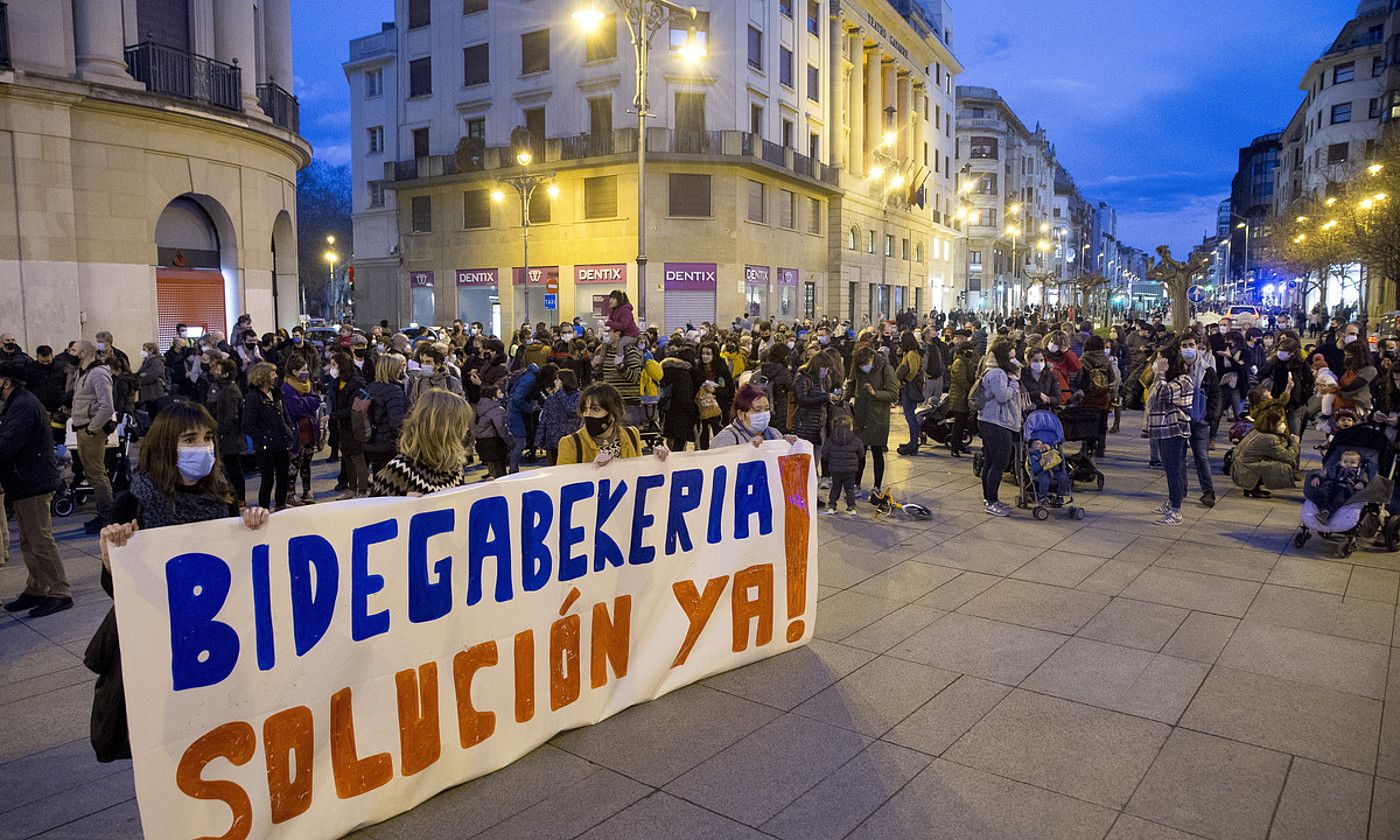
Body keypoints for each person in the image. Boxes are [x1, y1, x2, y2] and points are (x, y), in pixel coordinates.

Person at [91, 403, 269, 762]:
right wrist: (113, 560)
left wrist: (253, 524)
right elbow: (119, 593)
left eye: (207, 438)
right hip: (157, 638)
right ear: (166, 446)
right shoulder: (133, 502)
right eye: (190, 439)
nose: (202, 447)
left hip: (211, 639)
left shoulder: (220, 496)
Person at [0, 361, 69, 617]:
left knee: (40, 539)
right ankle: (37, 587)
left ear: (6, 382)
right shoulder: (17, 403)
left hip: (33, 481)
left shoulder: (23, 406)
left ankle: (60, 591)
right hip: (24, 481)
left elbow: (8, 444)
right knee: (28, 540)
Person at [370, 389, 476, 496]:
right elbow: (373, 509)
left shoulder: (454, 466)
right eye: (461, 424)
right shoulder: (399, 471)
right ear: (443, 429)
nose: (466, 429)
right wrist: (403, 505)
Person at [556, 382, 669, 466]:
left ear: (612, 414)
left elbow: (637, 473)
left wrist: (656, 461)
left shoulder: (632, 434)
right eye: (585, 409)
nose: (587, 414)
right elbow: (563, 487)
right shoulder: (570, 443)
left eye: (595, 409)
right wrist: (593, 470)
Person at [1146, 345, 1195, 525]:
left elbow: (1162, 393)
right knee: (1169, 468)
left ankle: (1176, 510)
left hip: (1174, 429)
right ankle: (1172, 502)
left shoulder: (1183, 380)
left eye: (1161, 360)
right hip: (1163, 428)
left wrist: (1159, 373)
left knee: (1174, 469)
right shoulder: (1168, 379)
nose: (1157, 364)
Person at [71, 340, 115, 533]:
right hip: (82, 427)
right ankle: (104, 513)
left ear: (83, 353)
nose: (69, 353)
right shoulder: (82, 373)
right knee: (92, 474)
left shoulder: (97, 373)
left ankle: (107, 516)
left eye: (73, 350)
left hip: (91, 430)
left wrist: (92, 428)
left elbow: (107, 406)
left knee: (97, 475)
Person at [976, 338, 1022, 517]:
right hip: (995, 422)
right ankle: (991, 501)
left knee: (990, 461)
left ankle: (990, 499)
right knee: (998, 463)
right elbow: (1003, 396)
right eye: (1011, 357)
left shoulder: (999, 371)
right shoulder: (997, 374)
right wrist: (1013, 383)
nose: (1014, 361)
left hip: (993, 420)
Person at [848, 344, 898, 497]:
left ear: (872, 358)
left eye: (866, 364)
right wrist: (844, 398)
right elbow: (851, 384)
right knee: (859, 453)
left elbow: (893, 394)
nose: (864, 367)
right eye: (861, 365)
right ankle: (856, 484)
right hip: (860, 416)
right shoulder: (857, 366)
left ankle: (877, 486)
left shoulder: (885, 368)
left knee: (877, 452)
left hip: (878, 417)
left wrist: (875, 393)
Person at [242, 362, 292, 511]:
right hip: (265, 447)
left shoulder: (276, 393)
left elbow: (284, 415)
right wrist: (264, 438)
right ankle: (263, 508)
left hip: (281, 442)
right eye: (272, 373)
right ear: (263, 376)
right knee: (267, 479)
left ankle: (280, 505)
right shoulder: (253, 397)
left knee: (283, 477)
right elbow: (247, 425)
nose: (276, 376)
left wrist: (289, 432)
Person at [1178, 334, 1218, 508]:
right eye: (1184, 345)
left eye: (1191, 345)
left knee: (1201, 457)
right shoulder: (1176, 368)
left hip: (1199, 420)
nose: (1188, 349)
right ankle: (1181, 488)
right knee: (1179, 457)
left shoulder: (1207, 370)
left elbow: (1215, 396)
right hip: (1179, 419)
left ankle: (1208, 492)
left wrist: (1208, 418)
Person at [1232, 399, 1301, 497]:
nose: (1283, 425)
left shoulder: (1257, 431)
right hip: (1243, 471)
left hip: (1239, 467)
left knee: (1271, 460)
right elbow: (1288, 456)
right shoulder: (1269, 438)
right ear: (1272, 424)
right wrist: (1295, 443)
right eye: (1280, 422)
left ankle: (1251, 486)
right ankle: (1252, 486)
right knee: (1284, 466)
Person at [281, 357, 321, 505]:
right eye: (303, 370)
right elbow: (296, 409)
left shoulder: (307, 385)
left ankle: (307, 490)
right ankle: (290, 493)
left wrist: (305, 400)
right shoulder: (287, 388)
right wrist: (307, 401)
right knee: (294, 463)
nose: (306, 372)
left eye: (306, 369)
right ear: (294, 371)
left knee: (307, 462)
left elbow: (316, 401)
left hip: (309, 428)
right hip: (296, 430)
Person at [329, 351, 369, 498]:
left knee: (358, 458)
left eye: (334, 365)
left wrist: (333, 415)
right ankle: (351, 489)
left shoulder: (356, 383)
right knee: (347, 459)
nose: (331, 368)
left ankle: (362, 490)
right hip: (342, 426)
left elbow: (354, 407)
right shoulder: (337, 382)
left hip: (355, 426)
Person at [711, 382, 797, 448]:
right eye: (757, 410)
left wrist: (786, 444)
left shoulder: (774, 434)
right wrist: (748, 449)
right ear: (741, 414)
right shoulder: (725, 439)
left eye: (766, 409)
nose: (763, 414)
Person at [210, 358, 247, 506]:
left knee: (234, 470)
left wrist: (221, 431)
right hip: (227, 436)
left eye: (218, 370)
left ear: (225, 374)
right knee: (230, 469)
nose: (215, 372)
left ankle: (240, 499)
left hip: (231, 438)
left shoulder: (230, 390)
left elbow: (232, 416)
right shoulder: (224, 388)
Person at [366, 354, 410, 475]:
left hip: (371, 441)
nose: (402, 370)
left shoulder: (371, 387)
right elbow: (397, 420)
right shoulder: (394, 391)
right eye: (399, 368)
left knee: (378, 477)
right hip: (389, 444)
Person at [1306, 449, 1369, 524]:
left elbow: (1363, 477)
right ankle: (1322, 508)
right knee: (1321, 491)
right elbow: (1324, 471)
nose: (1348, 464)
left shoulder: (1359, 471)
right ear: (1340, 461)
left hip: (1346, 487)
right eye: (1345, 462)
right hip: (1331, 484)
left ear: (1359, 464)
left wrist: (1361, 483)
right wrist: (1317, 477)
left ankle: (1327, 512)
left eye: (1353, 462)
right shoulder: (1335, 467)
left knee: (1341, 497)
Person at [660, 345, 700, 452]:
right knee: (679, 444)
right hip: (682, 413)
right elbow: (685, 396)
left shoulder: (667, 369)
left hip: (668, 411)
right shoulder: (684, 373)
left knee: (671, 441)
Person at [538, 369, 581, 465]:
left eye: (557, 379)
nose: (554, 382)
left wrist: (561, 393)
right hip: (552, 442)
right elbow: (544, 419)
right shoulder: (551, 398)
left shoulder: (578, 396)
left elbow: (572, 410)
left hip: (570, 441)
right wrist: (540, 440)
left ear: (565, 380)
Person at [823, 413, 863, 515]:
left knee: (835, 487)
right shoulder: (855, 439)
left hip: (835, 469)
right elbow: (861, 453)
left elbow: (825, 454)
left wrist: (832, 461)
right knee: (849, 488)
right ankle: (851, 507)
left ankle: (832, 506)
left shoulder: (830, 439)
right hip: (850, 470)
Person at [945, 333, 977, 457]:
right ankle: (955, 446)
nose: (971, 352)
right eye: (969, 350)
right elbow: (961, 380)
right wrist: (973, 388)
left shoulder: (966, 361)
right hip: (959, 396)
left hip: (963, 396)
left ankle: (959, 444)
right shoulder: (959, 362)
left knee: (962, 422)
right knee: (958, 424)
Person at [894, 331, 925, 456]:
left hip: (910, 387)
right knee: (909, 415)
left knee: (910, 416)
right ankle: (912, 441)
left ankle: (913, 443)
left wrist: (906, 381)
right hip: (908, 386)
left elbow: (913, 370)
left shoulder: (912, 353)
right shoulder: (909, 352)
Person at [473, 384, 513, 479]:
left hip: (482, 441)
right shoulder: (497, 409)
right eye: (499, 393)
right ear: (493, 397)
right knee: (500, 473)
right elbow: (501, 428)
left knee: (492, 469)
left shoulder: (480, 406)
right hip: (495, 442)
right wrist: (511, 442)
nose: (502, 394)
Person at [135, 341, 167, 419]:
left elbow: (152, 375)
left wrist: (142, 376)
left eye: (144, 349)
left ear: (151, 350)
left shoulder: (157, 361)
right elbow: (140, 374)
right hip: (147, 393)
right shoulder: (146, 362)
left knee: (154, 413)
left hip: (154, 392)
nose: (142, 352)